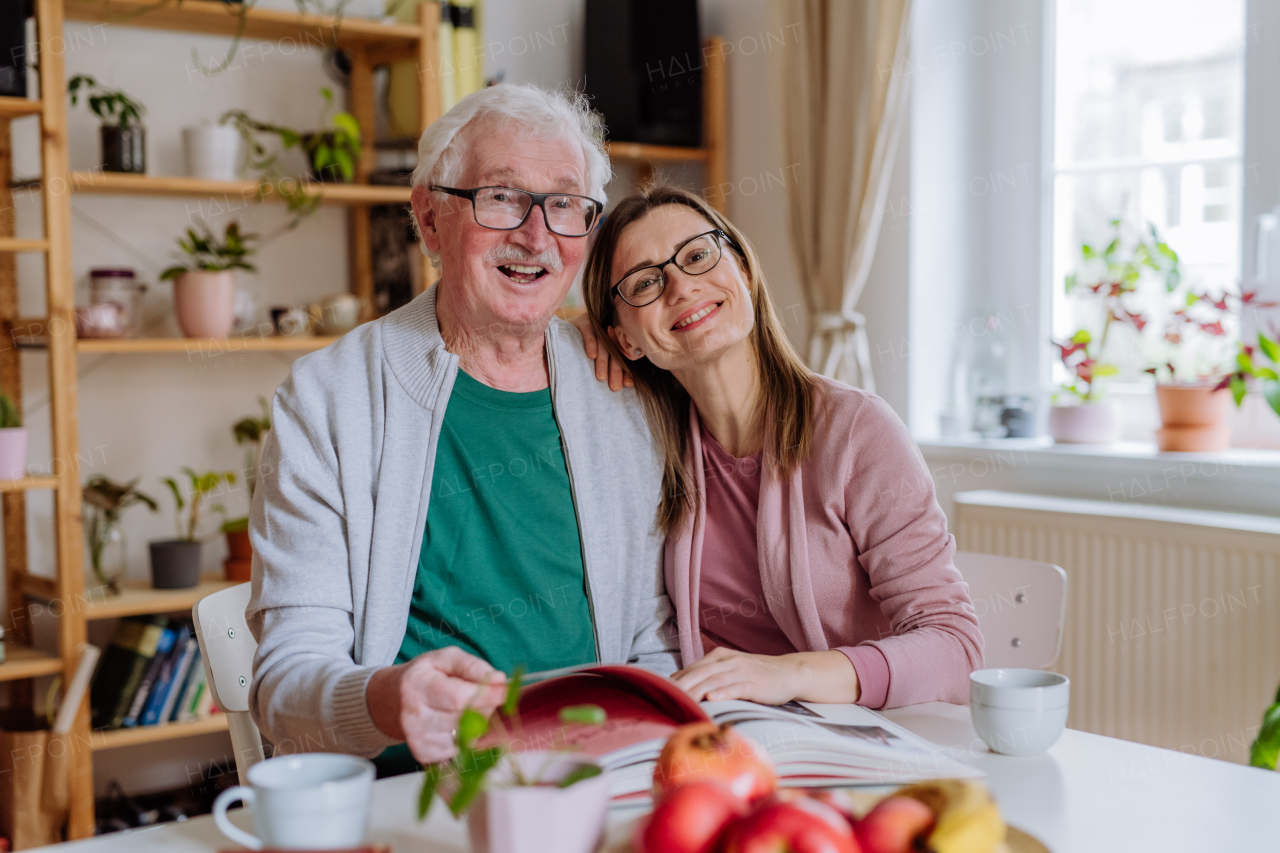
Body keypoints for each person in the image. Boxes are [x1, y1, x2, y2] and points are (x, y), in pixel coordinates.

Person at [247, 85, 679, 772]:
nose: (535, 236)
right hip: (407, 793)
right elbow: (284, 682)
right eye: (502, 196)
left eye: (564, 204)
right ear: (428, 219)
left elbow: (655, 643)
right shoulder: (329, 397)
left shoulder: (624, 394)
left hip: (597, 783)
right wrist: (386, 698)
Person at [578, 185, 983, 709]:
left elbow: (956, 647)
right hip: (717, 737)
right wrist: (574, 327)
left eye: (698, 256)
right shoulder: (646, 448)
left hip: (854, 742)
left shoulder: (857, 431)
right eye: (645, 283)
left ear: (743, 271)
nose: (680, 286)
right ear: (624, 339)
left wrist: (785, 676)